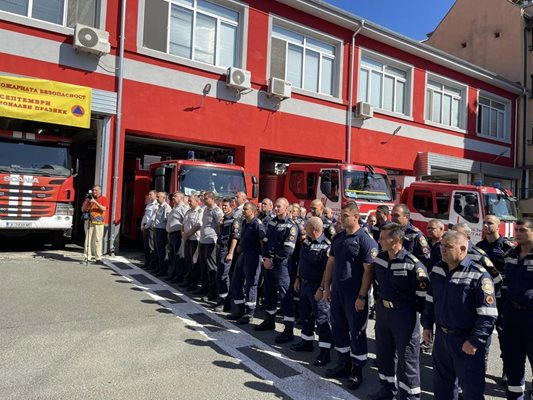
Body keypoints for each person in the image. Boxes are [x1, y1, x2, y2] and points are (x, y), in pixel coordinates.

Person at [422, 231, 497, 400]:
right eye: (442, 246)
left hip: (465, 341)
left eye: (448, 247)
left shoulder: (479, 275)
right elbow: (430, 300)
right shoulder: (438, 269)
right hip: (442, 338)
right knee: (442, 387)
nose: (443, 250)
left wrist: (474, 341)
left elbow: (488, 315)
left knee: (471, 391)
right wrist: (427, 325)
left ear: (463, 249)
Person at [318, 201, 378, 390]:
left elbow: (368, 271)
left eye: (345, 216)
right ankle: (343, 364)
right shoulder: (338, 238)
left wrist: (361, 297)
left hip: (355, 296)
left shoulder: (365, 239)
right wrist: (326, 288)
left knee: (357, 333)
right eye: (341, 215)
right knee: (339, 329)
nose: (341, 219)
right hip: (337, 293)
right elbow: (330, 264)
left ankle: (357, 370)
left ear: (356, 217)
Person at [369, 223, 428, 400]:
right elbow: (377, 284)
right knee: (384, 354)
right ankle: (387, 390)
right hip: (383, 312)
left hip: (404, 315)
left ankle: (409, 397)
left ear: (395, 240)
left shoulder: (413, 265)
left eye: (382, 238)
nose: (379, 240)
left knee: (407, 359)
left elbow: (422, 297)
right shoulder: (380, 258)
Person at [476, 214, 513, 386]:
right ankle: (479, 371)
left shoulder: (507, 247)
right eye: (484, 223)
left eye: (490, 223)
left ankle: (507, 369)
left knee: (505, 336)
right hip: (484, 297)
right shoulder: (479, 246)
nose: (486, 226)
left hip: (503, 297)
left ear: (498, 226)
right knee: (482, 332)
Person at [291, 217, 333, 367]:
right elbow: (301, 262)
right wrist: (297, 278)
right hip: (305, 284)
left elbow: (327, 271)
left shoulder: (326, 246)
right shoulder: (307, 242)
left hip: (317, 286)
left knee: (322, 319)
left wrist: (322, 288)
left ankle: (325, 351)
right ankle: (306, 341)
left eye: (306, 226)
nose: (304, 228)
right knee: (306, 316)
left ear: (314, 229)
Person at [256, 197, 298, 343]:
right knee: (269, 292)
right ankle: (269, 320)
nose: (276, 209)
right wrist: (265, 259)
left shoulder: (291, 226)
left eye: (279, 206)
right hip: (269, 264)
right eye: (276, 206)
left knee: (285, 295)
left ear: (286, 208)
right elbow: (266, 242)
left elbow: (288, 249)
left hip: (282, 265)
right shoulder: (272, 222)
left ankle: (288, 329)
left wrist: (273, 261)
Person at [501, 218, 533, 400]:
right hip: (512, 316)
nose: (518, 233)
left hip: (531, 317)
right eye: (517, 230)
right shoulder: (510, 255)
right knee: (513, 364)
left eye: (523, 230)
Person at [227, 202, 265, 324]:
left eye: (246, 209)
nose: (243, 211)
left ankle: (249, 313)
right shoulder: (244, 222)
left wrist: (264, 258)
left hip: (253, 256)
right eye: (243, 209)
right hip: (243, 255)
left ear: (253, 211)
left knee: (251, 284)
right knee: (236, 282)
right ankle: (239, 310)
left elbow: (262, 242)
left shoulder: (257, 224)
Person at [214, 197, 240, 312]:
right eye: (222, 206)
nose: (223, 208)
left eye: (226, 206)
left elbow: (235, 237)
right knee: (219, 275)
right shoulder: (224, 219)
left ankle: (225, 302)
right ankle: (222, 299)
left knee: (224, 276)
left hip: (227, 250)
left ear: (231, 206)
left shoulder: (234, 220)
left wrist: (230, 253)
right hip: (221, 248)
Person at [196, 191, 223, 299]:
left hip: (211, 242)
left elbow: (219, 226)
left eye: (206, 198)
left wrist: (218, 240)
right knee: (203, 266)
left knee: (211, 267)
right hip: (203, 240)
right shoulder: (206, 210)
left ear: (212, 199)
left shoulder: (217, 211)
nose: (203, 200)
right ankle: (204, 287)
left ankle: (212, 292)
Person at [181, 195, 204, 291]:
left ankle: (194, 283)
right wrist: (183, 233)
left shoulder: (200, 212)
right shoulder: (188, 211)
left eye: (190, 201)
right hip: (187, 239)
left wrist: (187, 234)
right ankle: (188, 280)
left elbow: (197, 225)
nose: (188, 202)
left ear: (197, 201)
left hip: (194, 239)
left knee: (194, 262)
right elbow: (183, 224)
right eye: (188, 201)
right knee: (187, 261)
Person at [81, 185, 108, 264]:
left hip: (99, 222)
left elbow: (104, 208)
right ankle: (87, 257)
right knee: (88, 239)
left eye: (96, 190)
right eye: (93, 190)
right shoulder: (89, 199)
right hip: (89, 221)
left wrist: (95, 202)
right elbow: (83, 209)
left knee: (98, 240)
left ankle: (98, 258)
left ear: (100, 191)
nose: (94, 192)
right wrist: (86, 201)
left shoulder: (104, 199)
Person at [166, 192, 188, 283]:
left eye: (175, 196)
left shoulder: (183, 208)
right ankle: (173, 273)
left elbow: (185, 222)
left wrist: (182, 233)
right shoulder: (175, 207)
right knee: (172, 255)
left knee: (178, 255)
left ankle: (179, 276)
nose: (173, 198)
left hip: (177, 234)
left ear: (181, 198)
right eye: (173, 196)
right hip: (171, 234)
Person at [152, 192, 172, 276]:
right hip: (157, 229)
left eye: (158, 197)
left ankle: (163, 270)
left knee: (162, 251)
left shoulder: (166, 207)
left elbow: (167, 219)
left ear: (164, 197)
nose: (156, 198)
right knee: (157, 250)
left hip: (162, 230)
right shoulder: (159, 206)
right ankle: (158, 268)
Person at [140, 190, 157, 269]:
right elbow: (145, 216)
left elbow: (152, 218)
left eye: (151, 195)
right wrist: (142, 224)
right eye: (149, 195)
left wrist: (146, 226)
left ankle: (152, 264)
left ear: (155, 195)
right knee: (146, 246)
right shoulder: (149, 204)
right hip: (145, 226)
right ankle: (147, 263)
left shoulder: (156, 205)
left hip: (150, 227)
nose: (149, 196)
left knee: (151, 247)